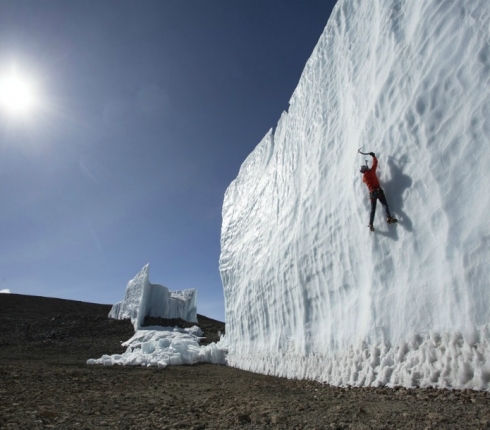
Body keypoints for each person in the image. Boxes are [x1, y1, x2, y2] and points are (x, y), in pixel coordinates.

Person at [360, 152, 397, 231]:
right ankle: (389, 217)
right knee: (385, 204)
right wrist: (373, 156)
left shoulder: (364, 177)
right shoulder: (372, 171)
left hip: (372, 194)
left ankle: (371, 224)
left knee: (373, 210)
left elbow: (363, 181)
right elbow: (375, 163)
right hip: (378, 191)